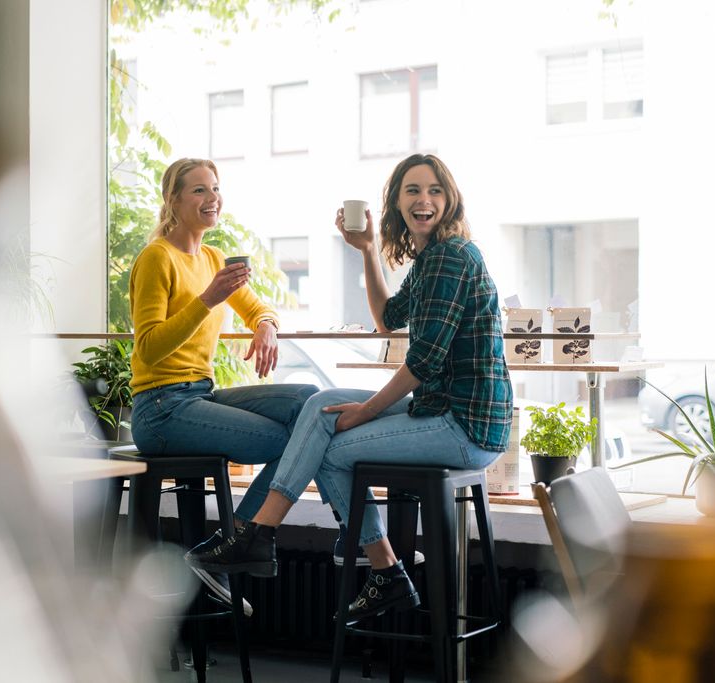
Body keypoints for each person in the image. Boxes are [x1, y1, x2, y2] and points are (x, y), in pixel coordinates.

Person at [186, 154, 513, 623]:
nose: (424, 200)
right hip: (443, 410)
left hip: (465, 427)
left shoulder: (451, 256)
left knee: (334, 449)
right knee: (321, 404)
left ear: (450, 199)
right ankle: (265, 539)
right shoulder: (431, 258)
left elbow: (423, 361)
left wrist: (365, 413)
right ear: (397, 202)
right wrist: (367, 248)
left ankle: (347, 560)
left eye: (435, 190)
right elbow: (387, 319)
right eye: (413, 191)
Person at [128, 157, 318, 611]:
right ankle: (237, 539)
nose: (212, 198)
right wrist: (207, 299)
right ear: (172, 200)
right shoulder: (157, 259)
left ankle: (234, 541)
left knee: (309, 404)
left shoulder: (213, 257)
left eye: (215, 188)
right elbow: (150, 348)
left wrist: (267, 325)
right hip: (160, 408)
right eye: (198, 190)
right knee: (285, 441)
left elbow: (259, 307)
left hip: (199, 394)